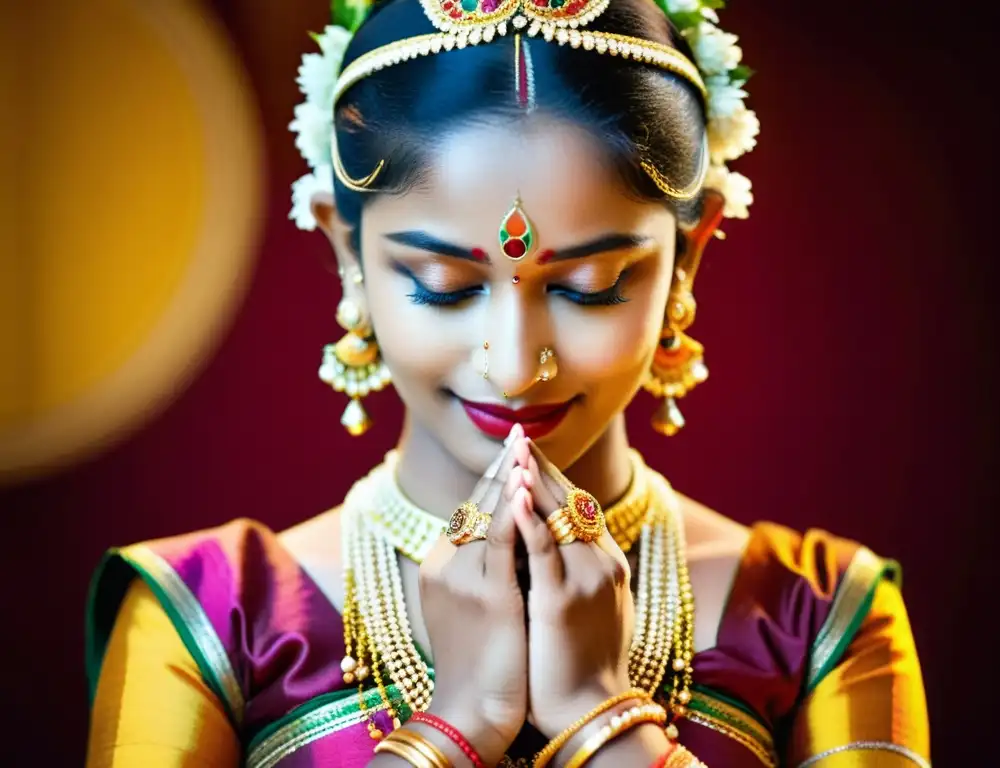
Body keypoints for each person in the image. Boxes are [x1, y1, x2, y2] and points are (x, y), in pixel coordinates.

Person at [84, 1, 930, 766]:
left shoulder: (816, 616)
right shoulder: (209, 618)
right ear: (347, 250)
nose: (516, 365)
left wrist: (604, 718)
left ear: (691, 253)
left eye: (590, 286)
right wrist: (456, 724)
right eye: (444, 287)